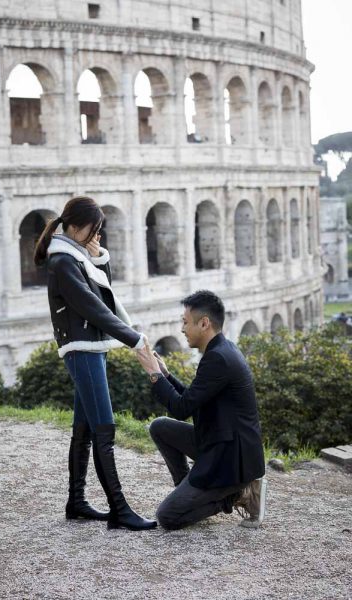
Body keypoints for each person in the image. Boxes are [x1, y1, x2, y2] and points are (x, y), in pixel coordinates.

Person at [34, 196, 156, 531]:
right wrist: (134, 339)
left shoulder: (76, 259)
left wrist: (98, 257)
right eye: (93, 229)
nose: (94, 235)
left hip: (91, 347)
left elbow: (104, 292)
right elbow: (91, 306)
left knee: (86, 428)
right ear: (75, 226)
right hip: (82, 349)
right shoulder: (62, 262)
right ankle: (119, 510)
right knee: (105, 427)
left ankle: (76, 501)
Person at [136, 290, 267, 530]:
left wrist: (154, 375)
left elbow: (181, 408)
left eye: (185, 322)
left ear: (204, 323)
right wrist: (165, 375)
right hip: (217, 441)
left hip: (231, 458)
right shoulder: (221, 350)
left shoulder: (218, 358)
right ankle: (188, 490)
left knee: (168, 517)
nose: (182, 329)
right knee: (160, 427)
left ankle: (237, 494)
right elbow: (192, 399)